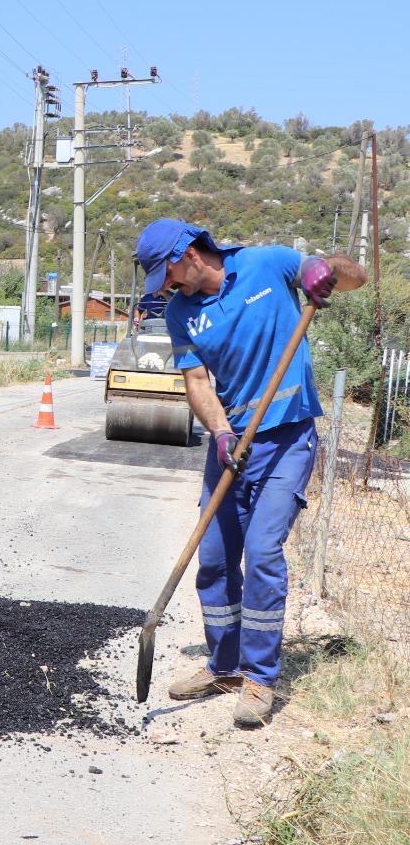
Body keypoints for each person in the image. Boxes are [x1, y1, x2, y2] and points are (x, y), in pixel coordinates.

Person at [135, 218, 363, 727]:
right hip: (231, 443)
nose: (166, 287)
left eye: (167, 274)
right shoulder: (181, 312)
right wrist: (220, 434)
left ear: (189, 253)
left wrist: (327, 272)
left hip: (287, 439)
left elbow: (356, 274)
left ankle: (260, 675)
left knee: (261, 554)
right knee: (215, 559)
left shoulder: (267, 263)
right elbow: (198, 382)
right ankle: (224, 666)